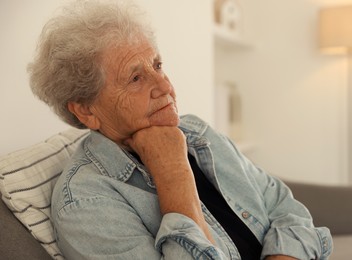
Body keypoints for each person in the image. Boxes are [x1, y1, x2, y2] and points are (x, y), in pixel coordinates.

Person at [28, 0, 332, 259]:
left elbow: (284, 205)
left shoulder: (195, 131)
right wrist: (173, 172)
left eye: (158, 66)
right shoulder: (86, 204)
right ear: (86, 109)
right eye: (135, 78)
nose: (164, 86)